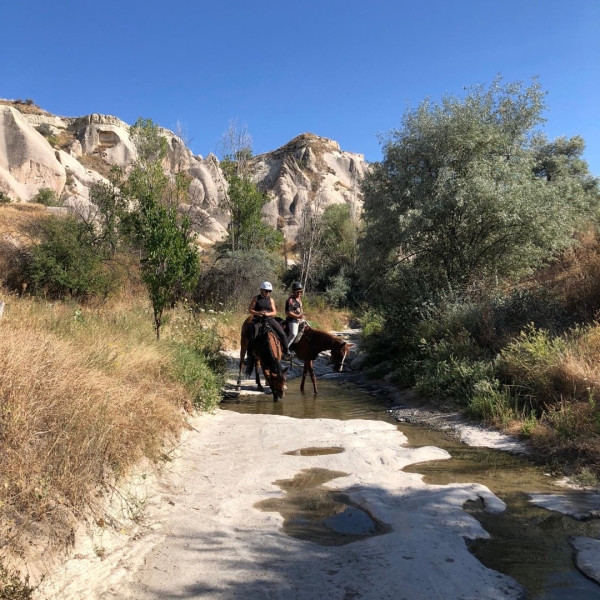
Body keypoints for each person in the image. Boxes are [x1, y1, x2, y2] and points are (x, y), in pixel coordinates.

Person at [248, 281, 291, 360]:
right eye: (266, 291)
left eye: (269, 291)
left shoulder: (271, 300)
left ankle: (286, 351)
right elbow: (250, 310)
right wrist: (258, 313)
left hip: (269, 319)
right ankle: (249, 355)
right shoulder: (256, 298)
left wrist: (268, 314)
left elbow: (274, 312)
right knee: (253, 334)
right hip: (258, 319)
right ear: (261, 290)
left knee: (281, 332)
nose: (268, 293)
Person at [285, 282, 305, 348]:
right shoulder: (290, 300)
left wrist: (302, 315)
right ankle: (285, 348)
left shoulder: (299, 299)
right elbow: (288, 312)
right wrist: (298, 316)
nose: (299, 294)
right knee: (293, 333)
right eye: (297, 292)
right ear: (293, 292)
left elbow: (300, 308)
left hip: (299, 318)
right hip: (292, 319)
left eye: (301, 292)